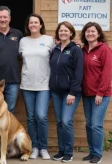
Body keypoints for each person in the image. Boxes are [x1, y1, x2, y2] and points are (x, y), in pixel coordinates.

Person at [19, 13, 55, 160]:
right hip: (27, 84)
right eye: (31, 23)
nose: (33, 25)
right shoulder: (23, 41)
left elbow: (59, 53)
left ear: (41, 25)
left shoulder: (49, 40)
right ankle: (33, 147)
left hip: (44, 84)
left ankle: (43, 148)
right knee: (31, 117)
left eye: (36, 22)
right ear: (28, 26)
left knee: (41, 116)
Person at [49, 21, 83, 163]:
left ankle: (69, 152)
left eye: (66, 31)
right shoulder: (55, 49)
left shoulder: (75, 50)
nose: (63, 33)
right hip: (56, 92)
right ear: (58, 33)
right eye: (61, 31)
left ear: (71, 33)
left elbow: (78, 73)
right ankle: (61, 150)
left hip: (70, 92)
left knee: (66, 121)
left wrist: (73, 92)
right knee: (59, 122)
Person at [80, 22, 112, 164]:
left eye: (93, 31)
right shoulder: (83, 50)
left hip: (101, 95)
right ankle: (92, 152)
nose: (90, 34)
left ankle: (98, 154)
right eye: (87, 32)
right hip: (86, 94)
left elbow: (106, 74)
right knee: (89, 124)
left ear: (98, 34)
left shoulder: (104, 49)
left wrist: (100, 93)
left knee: (96, 125)